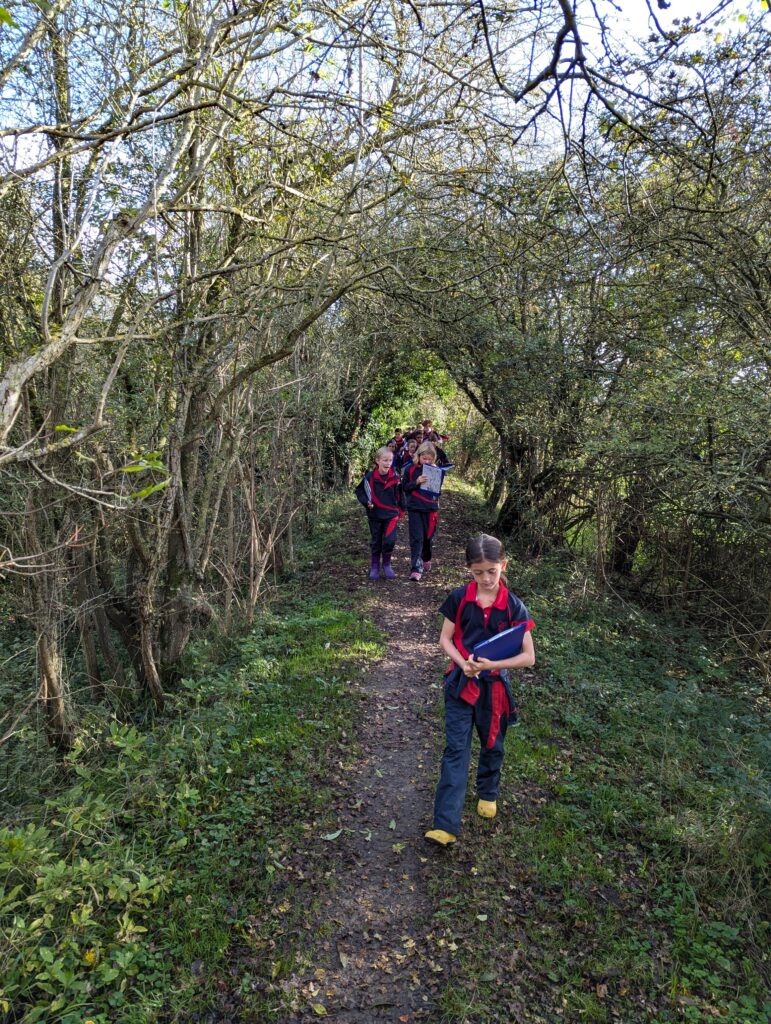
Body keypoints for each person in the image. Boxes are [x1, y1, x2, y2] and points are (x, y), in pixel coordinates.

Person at [425, 533, 535, 847]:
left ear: (504, 565)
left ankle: (487, 792)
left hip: (494, 688)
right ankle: (444, 825)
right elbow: (445, 639)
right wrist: (463, 664)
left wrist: (487, 666)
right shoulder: (459, 598)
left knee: (492, 744)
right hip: (459, 686)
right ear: (468, 570)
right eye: (478, 572)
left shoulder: (514, 607)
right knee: (456, 750)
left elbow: (529, 656)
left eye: (492, 571)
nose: (485, 578)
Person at [354, 446, 404, 580]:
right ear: (377, 461)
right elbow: (359, 492)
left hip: (391, 515)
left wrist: (402, 510)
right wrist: (367, 502)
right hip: (375, 515)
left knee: (389, 541)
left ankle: (387, 564)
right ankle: (375, 566)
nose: (388, 463)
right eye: (385, 460)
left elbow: (400, 495)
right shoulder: (369, 477)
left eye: (390, 460)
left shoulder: (395, 477)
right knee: (376, 541)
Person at [401, 441, 441, 581]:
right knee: (416, 538)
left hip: (430, 509)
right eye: (424, 458)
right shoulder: (410, 469)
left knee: (428, 538)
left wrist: (437, 475)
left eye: (430, 459)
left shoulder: (436, 470)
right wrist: (416, 482)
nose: (427, 461)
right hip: (414, 508)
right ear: (418, 456)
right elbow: (404, 487)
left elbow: (438, 491)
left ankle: (426, 557)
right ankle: (416, 568)